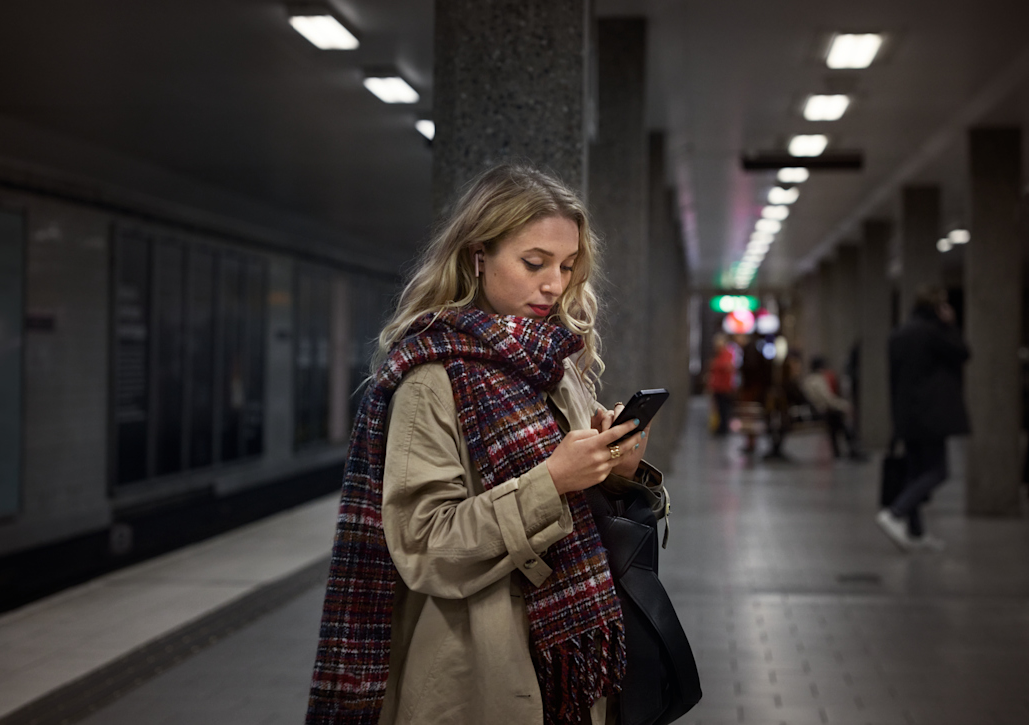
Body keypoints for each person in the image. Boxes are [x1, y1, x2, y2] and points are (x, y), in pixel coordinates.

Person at [307, 164, 669, 725]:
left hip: (569, 663)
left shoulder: (557, 365)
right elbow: (424, 546)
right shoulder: (433, 377)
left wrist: (617, 465)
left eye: (568, 266)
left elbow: (583, 508)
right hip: (478, 671)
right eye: (534, 263)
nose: (554, 284)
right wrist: (552, 480)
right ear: (478, 255)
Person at [876, 286, 970, 552]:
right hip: (932, 415)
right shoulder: (935, 332)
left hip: (907, 414)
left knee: (915, 472)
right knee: (938, 471)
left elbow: (894, 378)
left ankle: (916, 533)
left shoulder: (899, 334)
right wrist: (950, 324)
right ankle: (896, 512)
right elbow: (963, 353)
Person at [801, 356, 864, 460]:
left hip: (819, 411)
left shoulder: (808, 380)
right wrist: (844, 406)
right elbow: (828, 399)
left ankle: (841, 451)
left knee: (837, 425)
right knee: (841, 422)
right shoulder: (817, 380)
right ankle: (853, 449)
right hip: (823, 411)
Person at [706, 333, 736, 435]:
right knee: (718, 408)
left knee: (724, 409)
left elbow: (727, 367)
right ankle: (720, 426)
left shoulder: (727, 354)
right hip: (717, 386)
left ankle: (723, 428)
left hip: (724, 387)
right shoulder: (717, 354)